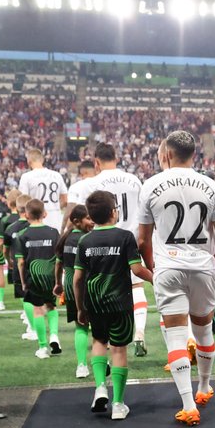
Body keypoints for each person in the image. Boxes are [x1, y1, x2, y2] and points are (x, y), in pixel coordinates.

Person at [137, 131, 215, 426]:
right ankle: (204, 387)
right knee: (204, 330)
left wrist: (153, 266)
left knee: (176, 335)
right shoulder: (211, 186)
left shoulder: (151, 185)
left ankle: (187, 405)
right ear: (194, 154)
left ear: (167, 154)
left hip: (169, 265)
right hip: (203, 266)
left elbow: (142, 238)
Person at [74, 191, 154, 419]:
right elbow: (136, 269)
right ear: (113, 212)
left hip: (95, 302)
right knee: (118, 349)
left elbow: (78, 279)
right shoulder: (125, 236)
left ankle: (100, 387)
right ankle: (118, 404)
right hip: (120, 302)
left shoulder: (84, 240)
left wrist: (80, 307)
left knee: (99, 341)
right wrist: (154, 279)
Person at [85, 143, 149, 358]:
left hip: (102, 243)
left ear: (96, 162)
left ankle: (109, 342)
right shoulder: (133, 180)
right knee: (137, 285)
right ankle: (138, 332)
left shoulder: (93, 182)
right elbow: (143, 213)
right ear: (116, 158)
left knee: (104, 291)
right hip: (129, 239)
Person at [12, 199, 62, 359]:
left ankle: (43, 347)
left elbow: (20, 262)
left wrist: (24, 282)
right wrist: (58, 280)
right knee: (51, 306)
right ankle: (54, 336)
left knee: (38, 310)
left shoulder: (22, 235)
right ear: (44, 213)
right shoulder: (54, 232)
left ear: (26, 215)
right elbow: (59, 258)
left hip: (32, 278)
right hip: (51, 277)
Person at [54, 204, 94, 379]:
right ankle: (102, 361)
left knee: (81, 327)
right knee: (99, 328)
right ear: (77, 221)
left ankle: (81, 365)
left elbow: (58, 264)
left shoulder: (65, 239)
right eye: (88, 218)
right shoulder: (89, 239)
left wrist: (58, 284)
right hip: (90, 287)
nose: (92, 222)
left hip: (71, 289)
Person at [0, 193, 36, 341]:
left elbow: (5, 250)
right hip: (35, 266)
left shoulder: (10, 228)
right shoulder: (35, 227)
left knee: (25, 296)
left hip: (19, 266)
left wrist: (9, 261)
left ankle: (31, 325)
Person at [17, 147, 68, 230]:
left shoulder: (26, 177)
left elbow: (23, 202)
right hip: (57, 220)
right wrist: (55, 208)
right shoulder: (57, 175)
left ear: (29, 162)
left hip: (37, 221)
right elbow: (65, 200)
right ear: (42, 160)